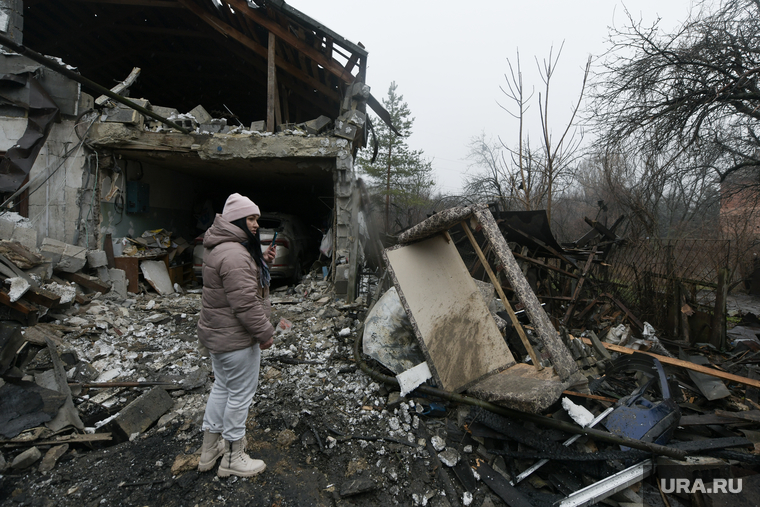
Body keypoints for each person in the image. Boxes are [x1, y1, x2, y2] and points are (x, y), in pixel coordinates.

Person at [196, 193, 276, 477]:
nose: (256, 224)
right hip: (236, 340)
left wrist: (260, 260)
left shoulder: (222, 248)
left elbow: (235, 282)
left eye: (257, 219)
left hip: (220, 337)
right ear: (237, 220)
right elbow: (245, 303)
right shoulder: (235, 254)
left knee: (222, 388)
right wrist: (265, 333)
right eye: (251, 219)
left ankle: (209, 451)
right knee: (240, 395)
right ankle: (233, 457)